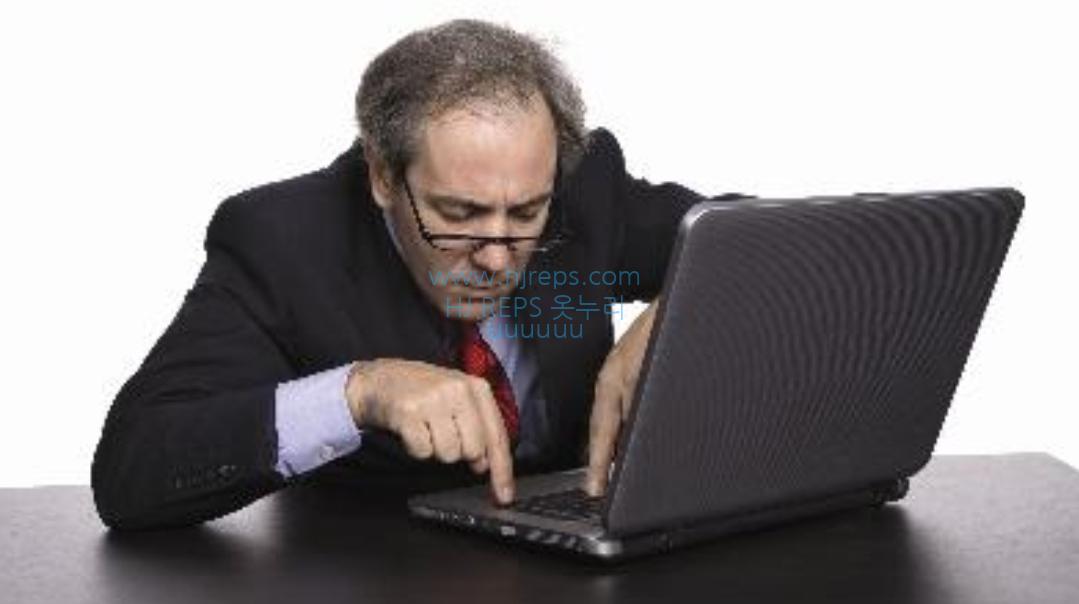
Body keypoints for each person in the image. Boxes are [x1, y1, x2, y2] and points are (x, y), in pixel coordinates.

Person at [91, 19, 744, 530]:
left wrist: (680, 310)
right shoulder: (284, 242)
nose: (495, 257)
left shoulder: (583, 187)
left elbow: (757, 241)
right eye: (457, 214)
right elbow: (132, 467)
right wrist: (359, 392)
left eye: (525, 214)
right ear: (383, 175)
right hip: (376, 568)